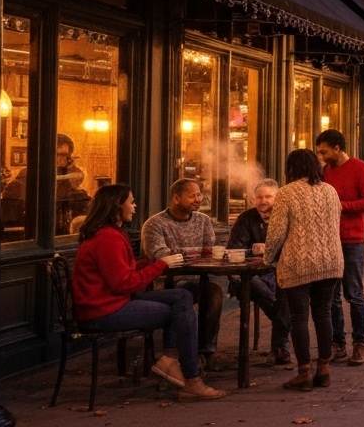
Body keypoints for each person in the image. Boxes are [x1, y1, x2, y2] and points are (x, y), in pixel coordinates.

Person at [72, 184, 225, 399]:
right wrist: (160, 265)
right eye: (131, 202)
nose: (135, 206)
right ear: (117, 205)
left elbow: (121, 273)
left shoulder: (109, 234)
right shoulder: (107, 237)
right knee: (180, 310)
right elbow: (124, 283)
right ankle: (192, 378)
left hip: (112, 302)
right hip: (103, 312)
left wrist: (145, 264)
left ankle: (170, 360)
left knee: (183, 296)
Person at [265, 149, 344, 391]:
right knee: (323, 314)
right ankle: (324, 370)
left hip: (298, 262)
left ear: (291, 168)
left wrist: (268, 258)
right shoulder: (330, 191)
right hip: (330, 261)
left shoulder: (286, 193)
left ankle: (304, 373)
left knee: (299, 317)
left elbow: (276, 232)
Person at [141, 178, 223, 369]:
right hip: (164, 284)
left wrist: (184, 255)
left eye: (199, 195)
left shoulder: (203, 220)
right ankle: (174, 355)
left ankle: (205, 351)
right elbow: (160, 256)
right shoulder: (155, 224)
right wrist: (194, 254)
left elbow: (209, 251)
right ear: (176, 199)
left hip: (196, 280)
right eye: (192, 196)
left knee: (214, 292)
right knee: (183, 294)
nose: (198, 199)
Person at [314, 129, 364, 366]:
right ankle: (337, 343)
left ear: (337, 148)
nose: (321, 156)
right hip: (328, 241)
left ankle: (360, 343)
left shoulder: (361, 169)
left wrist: (341, 206)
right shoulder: (324, 172)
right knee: (331, 296)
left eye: (324, 152)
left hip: (352, 241)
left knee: (354, 293)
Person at [226, 178, 292, 367]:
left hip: (280, 274)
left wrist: (272, 250)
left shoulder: (285, 218)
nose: (263, 201)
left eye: (268, 197)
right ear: (253, 200)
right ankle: (282, 343)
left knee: (285, 289)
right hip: (248, 276)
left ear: (277, 198)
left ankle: (279, 346)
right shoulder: (245, 219)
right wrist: (251, 250)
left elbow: (294, 249)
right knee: (260, 288)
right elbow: (232, 251)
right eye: (259, 197)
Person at [55, 135, 91, 236]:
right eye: (59, 154)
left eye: (65, 155)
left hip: (64, 229)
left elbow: (73, 195)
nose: (62, 159)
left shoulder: (67, 172)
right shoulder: (31, 173)